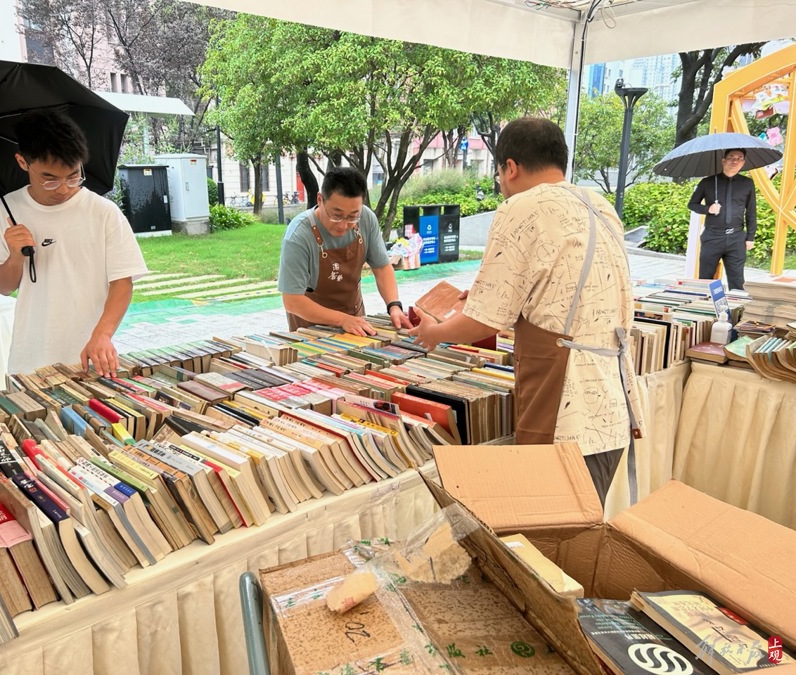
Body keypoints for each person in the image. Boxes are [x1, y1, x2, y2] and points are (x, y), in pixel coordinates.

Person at [408, 118, 644, 506]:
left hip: (565, 406)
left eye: (500, 174)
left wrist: (435, 332)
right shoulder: (598, 204)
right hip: (613, 402)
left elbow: (484, 322)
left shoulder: (521, 207)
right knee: (584, 521)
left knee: (550, 527)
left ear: (510, 167)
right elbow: (565, 293)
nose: (501, 185)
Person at [0, 110, 147, 377]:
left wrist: (102, 334)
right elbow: (3, 287)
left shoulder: (103, 212)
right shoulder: (3, 211)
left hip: (91, 357)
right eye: (49, 179)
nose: (62, 189)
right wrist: (14, 256)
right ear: (23, 162)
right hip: (29, 359)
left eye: (72, 176)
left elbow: (122, 282)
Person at [277, 166, 412, 336]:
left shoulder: (367, 219)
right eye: (336, 215)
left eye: (352, 216)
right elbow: (292, 301)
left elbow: (382, 268)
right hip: (311, 330)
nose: (343, 225)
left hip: (355, 322)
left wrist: (394, 305)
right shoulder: (298, 236)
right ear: (320, 200)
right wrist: (342, 319)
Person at [687, 148, 756, 291]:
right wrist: (708, 209)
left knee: (737, 279)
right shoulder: (708, 182)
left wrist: (750, 237)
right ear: (723, 160)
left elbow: (751, 211)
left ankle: (737, 311)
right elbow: (692, 204)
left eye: (739, 158)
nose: (735, 160)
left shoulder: (747, 184)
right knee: (705, 278)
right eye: (731, 157)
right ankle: (704, 307)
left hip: (736, 237)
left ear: (743, 163)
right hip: (712, 236)